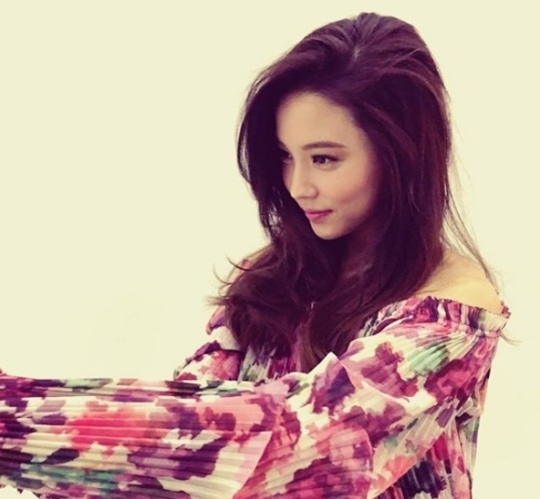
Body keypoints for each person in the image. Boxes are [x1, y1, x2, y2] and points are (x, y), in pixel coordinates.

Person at [0, 11, 509, 499]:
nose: (298, 186)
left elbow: (298, 444)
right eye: (285, 156)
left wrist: (14, 421)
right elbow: (190, 412)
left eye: (324, 159)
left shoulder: (450, 314)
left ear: (402, 155)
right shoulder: (274, 274)